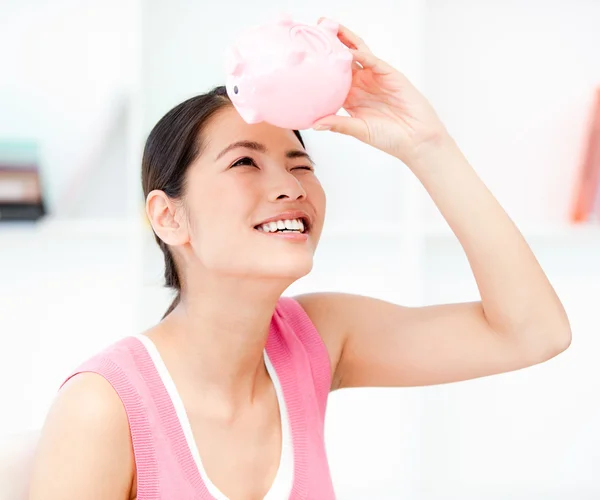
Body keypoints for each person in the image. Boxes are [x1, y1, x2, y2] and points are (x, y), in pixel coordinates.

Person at [28, 19, 571, 500]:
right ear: (169, 217)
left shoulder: (317, 340)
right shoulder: (104, 408)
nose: (289, 186)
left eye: (300, 164)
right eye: (245, 162)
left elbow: (533, 332)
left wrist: (425, 145)